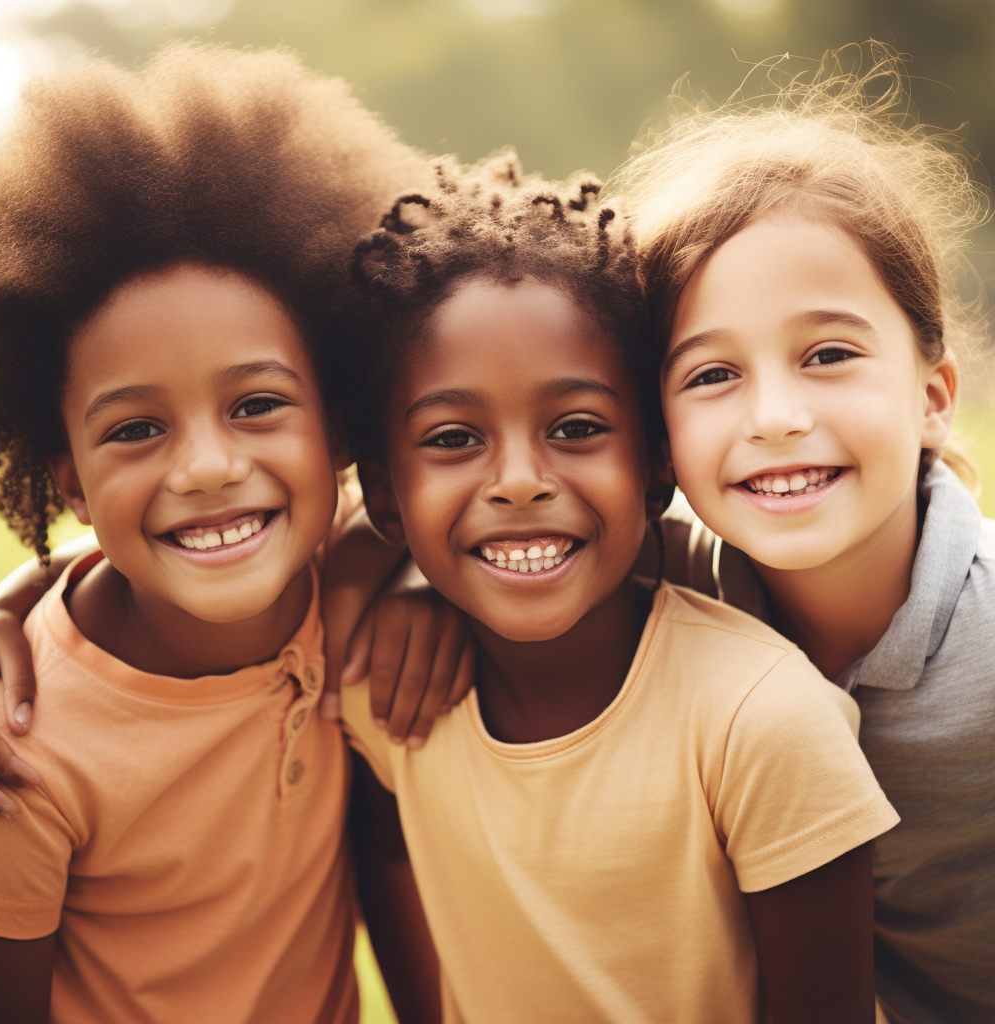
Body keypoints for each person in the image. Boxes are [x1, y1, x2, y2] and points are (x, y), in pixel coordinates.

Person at [339, 155, 898, 1024]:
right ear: (384, 498)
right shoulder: (389, 697)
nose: (519, 481)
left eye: (576, 428)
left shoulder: (762, 720)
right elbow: (388, 855)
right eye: (453, 437)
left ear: (655, 469)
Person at [0, 44, 463, 1024]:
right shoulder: (12, 754)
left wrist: (416, 582)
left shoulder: (352, 587)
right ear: (67, 475)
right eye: (136, 428)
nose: (204, 466)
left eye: (255, 404)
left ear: (341, 427)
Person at [608, 46, 995, 1024]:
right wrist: (392, 597)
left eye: (826, 354)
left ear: (932, 397)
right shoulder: (665, 591)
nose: (774, 415)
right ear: (658, 436)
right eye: (711, 374)